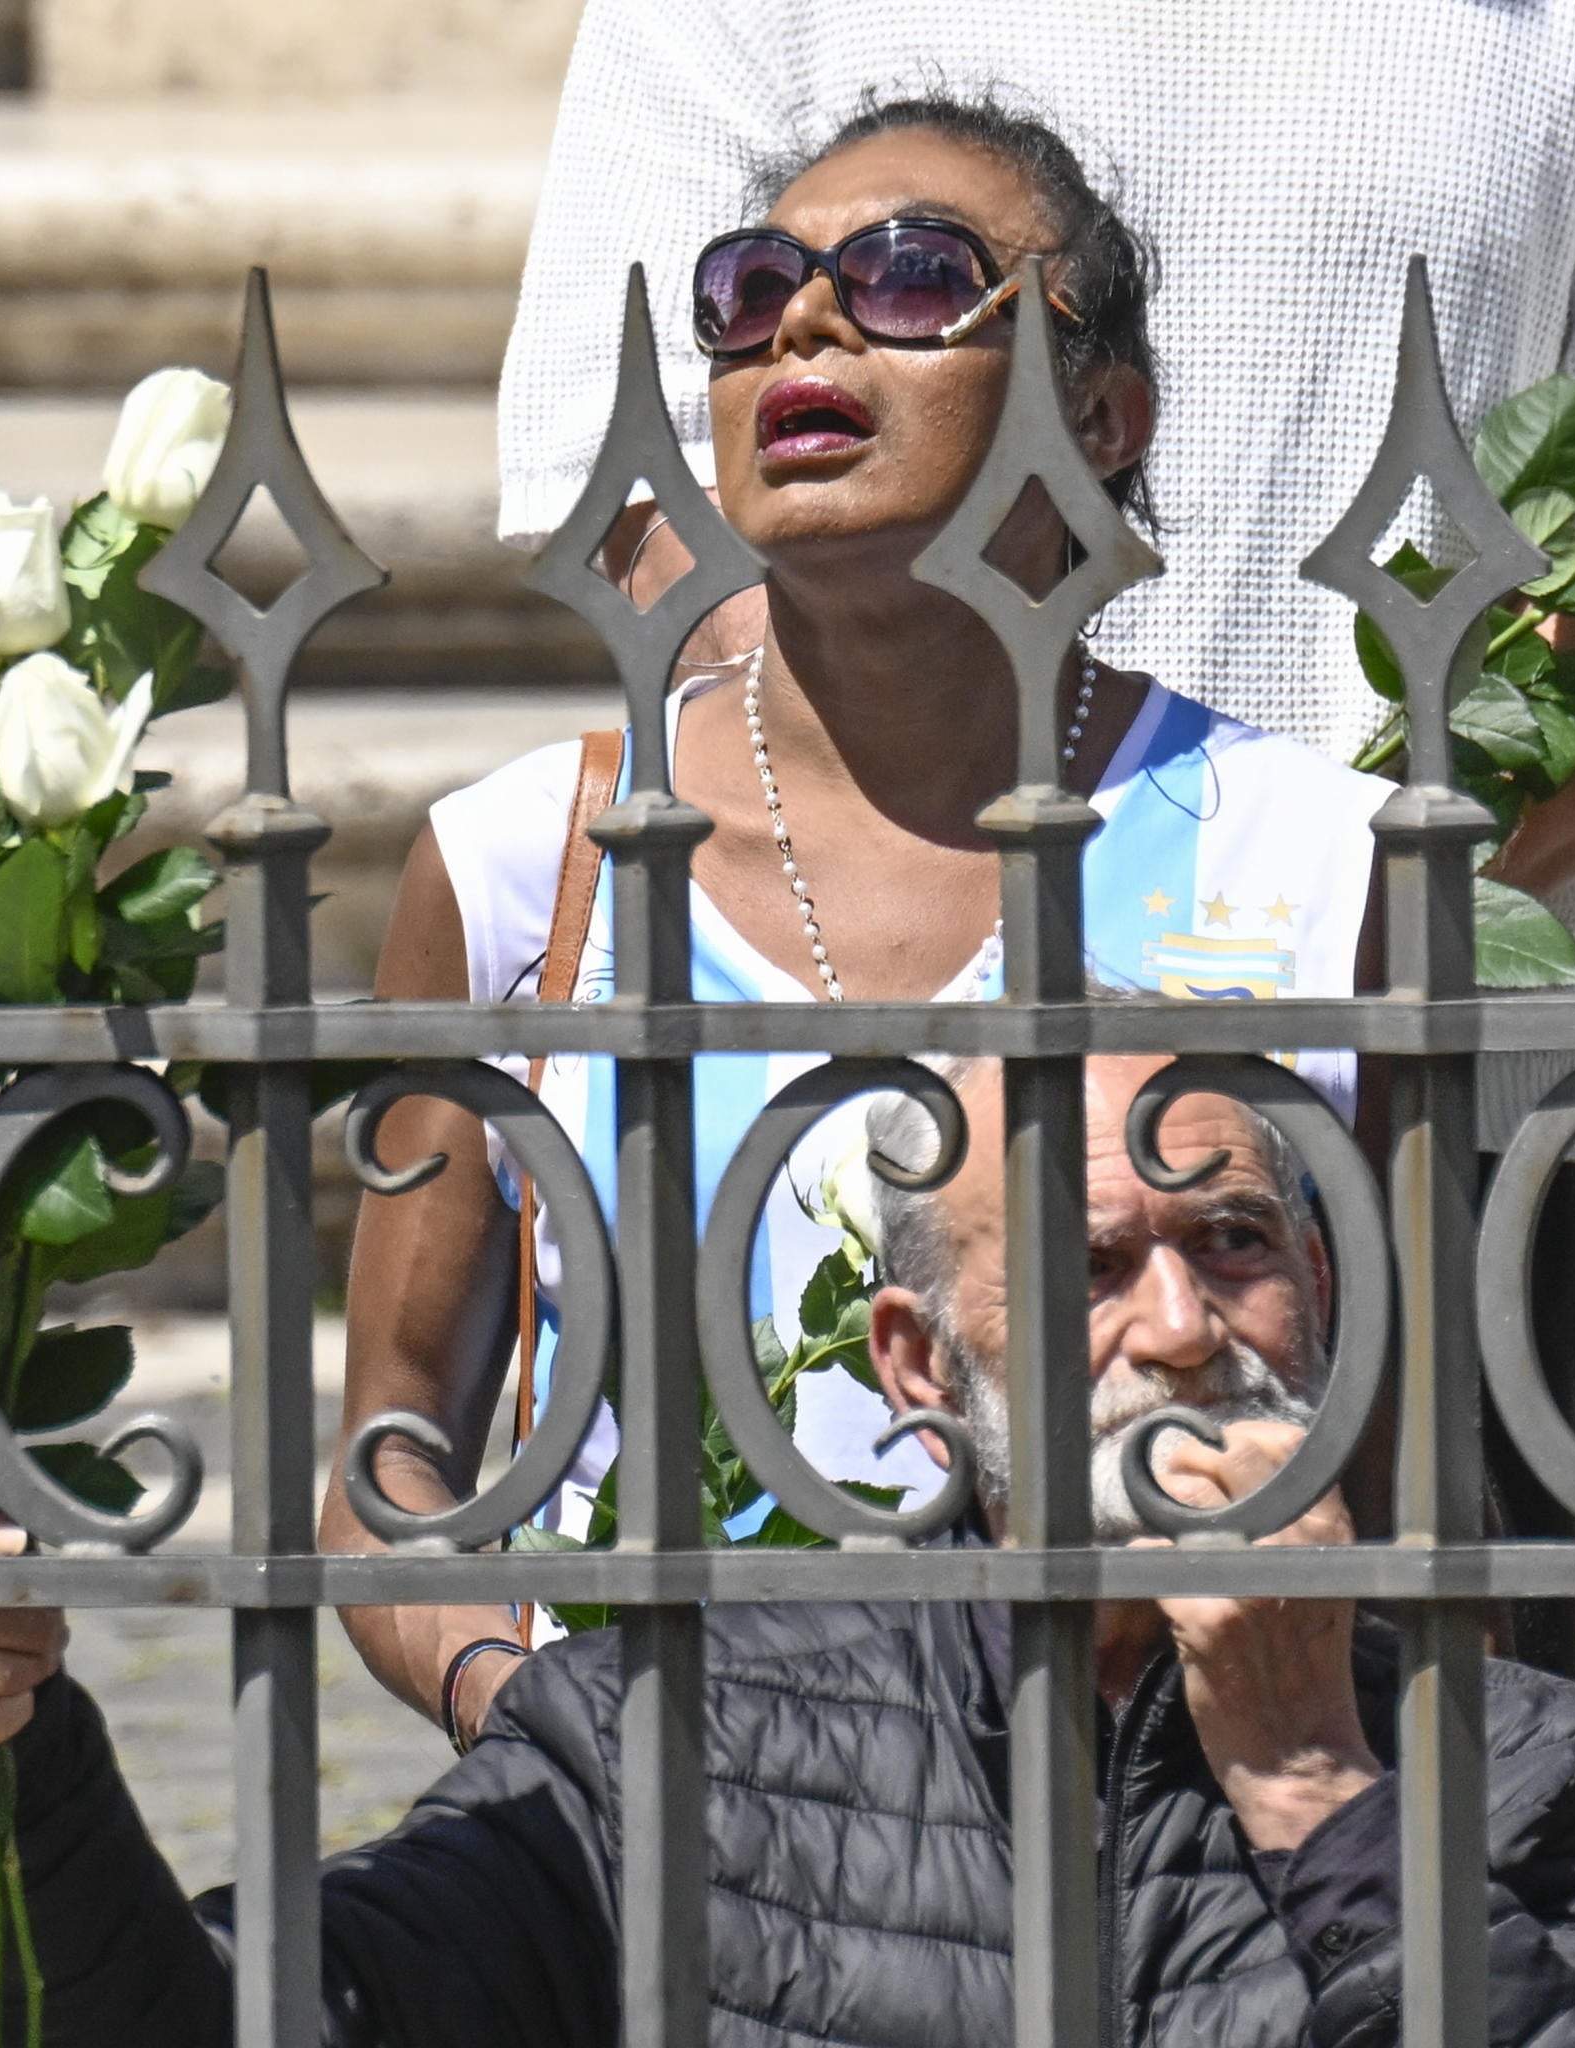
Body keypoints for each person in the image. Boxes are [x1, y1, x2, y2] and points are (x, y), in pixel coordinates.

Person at [328, 96, 1404, 1748]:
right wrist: (529, 1708)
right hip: (656, 1850)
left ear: (1104, 414)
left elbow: (1413, 1486)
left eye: (912, 276)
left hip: (1157, 1854)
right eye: (754, 292)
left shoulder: (1317, 865)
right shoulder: (513, 869)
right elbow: (392, 1447)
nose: (809, 322)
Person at [0, 1056, 1575, 2048]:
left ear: (1319, 1301)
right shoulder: (677, 1734)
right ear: (922, 1367)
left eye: (1233, 1241)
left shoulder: (1522, 1763)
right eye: (1090, 1263)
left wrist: (1321, 1788)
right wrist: (13, 1769)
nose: (1179, 1325)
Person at [497, 0, 1575, 984]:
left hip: (1405, 1057)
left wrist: (1318, 943)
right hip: (857, 1058)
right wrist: (911, 918)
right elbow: (643, 480)